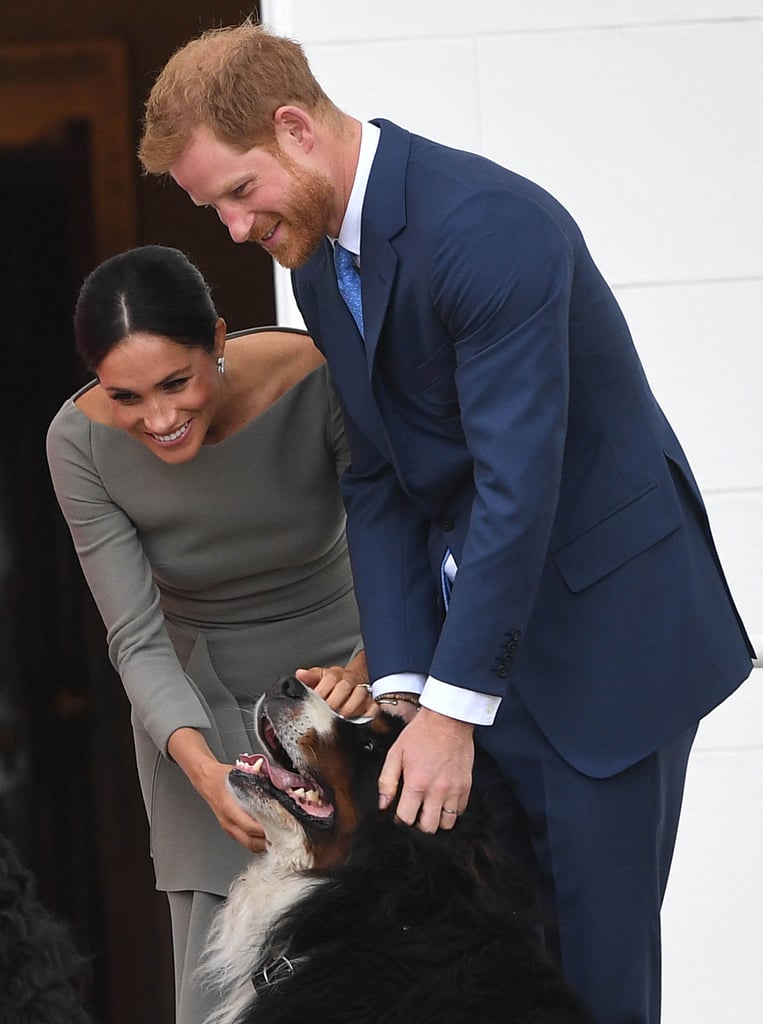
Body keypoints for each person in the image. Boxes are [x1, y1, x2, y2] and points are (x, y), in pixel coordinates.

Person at [137, 22, 755, 1024]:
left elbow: (519, 482)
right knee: (485, 980)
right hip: (481, 656)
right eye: (214, 208)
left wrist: (450, 711)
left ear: (295, 128)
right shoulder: (313, 268)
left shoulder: (489, 228)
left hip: (608, 646)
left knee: (590, 989)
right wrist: (402, 689)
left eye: (237, 192)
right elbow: (379, 485)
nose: (234, 229)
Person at [46, 244, 371, 1024]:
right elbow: (136, 637)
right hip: (202, 716)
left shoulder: (316, 374)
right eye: (125, 396)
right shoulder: (78, 444)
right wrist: (202, 770)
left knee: (379, 949)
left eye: (175, 383)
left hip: (348, 694)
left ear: (218, 341)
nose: (157, 419)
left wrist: (371, 669)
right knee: (221, 988)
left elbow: (401, 536)